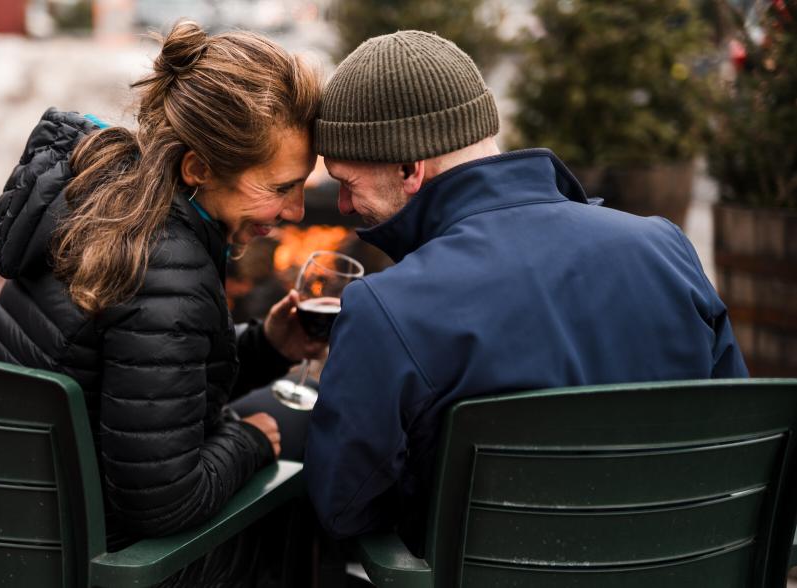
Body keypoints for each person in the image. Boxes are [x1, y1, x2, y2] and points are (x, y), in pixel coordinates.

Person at [303, 30, 749, 555]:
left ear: (408, 168)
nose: (346, 208)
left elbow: (342, 507)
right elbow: (738, 442)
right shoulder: (665, 249)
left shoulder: (386, 309)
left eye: (347, 183)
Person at [0, 21, 322, 586]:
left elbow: (140, 382)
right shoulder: (166, 264)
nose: (296, 214)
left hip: (18, 524)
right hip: (105, 561)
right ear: (197, 169)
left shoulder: (101, 203)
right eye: (281, 187)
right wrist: (252, 440)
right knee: (312, 443)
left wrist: (265, 347)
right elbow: (165, 503)